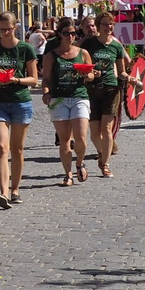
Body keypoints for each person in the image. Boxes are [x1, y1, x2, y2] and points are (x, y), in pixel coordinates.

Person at [0, 12, 40, 208]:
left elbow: (34, 79)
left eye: (9, 29)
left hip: (20, 102)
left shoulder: (25, 49)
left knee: (18, 149)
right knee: (2, 147)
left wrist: (17, 80)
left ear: (15, 28)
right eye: (2, 30)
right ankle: (3, 192)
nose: (5, 33)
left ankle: (16, 189)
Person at [42, 20, 92, 185]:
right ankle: (68, 174)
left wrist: (88, 75)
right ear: (59, 35)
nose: (70, 37)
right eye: (66, 33)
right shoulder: (51, 56)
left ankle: (80, 163)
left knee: (81, 137)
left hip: (79, 96)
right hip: (59, 99)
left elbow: (91, 75)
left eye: (73, 33)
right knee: (64, 139)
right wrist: (46, 92)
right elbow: (46, 79)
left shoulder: (82, 53)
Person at [83, 13, 128, 178]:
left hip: (111, 88)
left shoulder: (116, 46)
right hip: (92, 89)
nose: (108, 27)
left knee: (106, 128)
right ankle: (102, 152)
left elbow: (121, 71)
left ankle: (106, 164)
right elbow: (81, 64)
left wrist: (131, 79)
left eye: (111, 24)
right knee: (94, 131)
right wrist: (88, 71)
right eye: (105, 24)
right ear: (98, 25)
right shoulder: (89, 44)